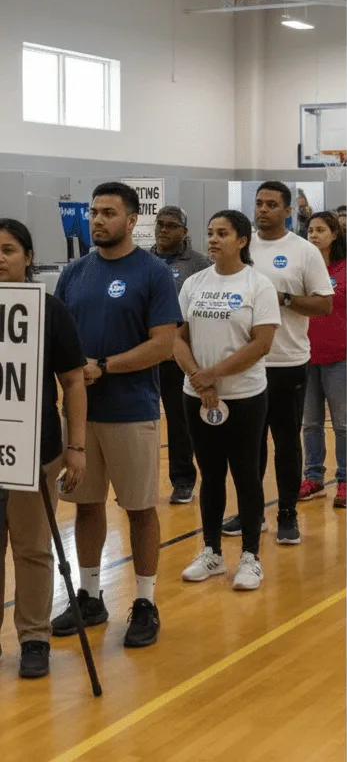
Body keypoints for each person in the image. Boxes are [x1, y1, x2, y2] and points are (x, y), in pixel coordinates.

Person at [52, 182, 182, 649]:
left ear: (132, 220)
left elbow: (164, 344)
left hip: (132, 412)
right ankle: (90, 596)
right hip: (80, 416)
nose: (98, 220)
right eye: (93, 212)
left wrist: (103, 367)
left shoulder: (154, 273)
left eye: (108, 212)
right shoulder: (73, 273)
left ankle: (145, 601)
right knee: (86, 507)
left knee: (140, 508)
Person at [175, 212, 280, 591]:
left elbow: (262, 343)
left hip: (245, 397)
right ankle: (212, 552)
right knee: (211, 475)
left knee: (247, 475)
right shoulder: (194, 283)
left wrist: (214, 374)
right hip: (198, 397)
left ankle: (251, 556)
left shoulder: (258, 285)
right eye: (210, 232)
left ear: (242, 240)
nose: (214, 239)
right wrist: (198, 380)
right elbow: (177, 337)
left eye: (223, 233)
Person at [0, 220, 87, 679]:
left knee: (32, 548)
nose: (0, 257)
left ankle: (34, 637)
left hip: (37, 449)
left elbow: (73, 380)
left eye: (8, 249)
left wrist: (76, 446)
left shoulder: (50, 310)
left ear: (29, 257)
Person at [228, 181, 333, 546]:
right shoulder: (240, 248)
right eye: (259, 203)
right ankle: (250, 512)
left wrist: (284, 299)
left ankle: (287, 511)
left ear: (287, 210)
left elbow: (324, 304)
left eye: (272, 204)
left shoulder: (304, 251)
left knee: (286, 440)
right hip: (244, 363)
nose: (263, 210)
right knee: (247, 444)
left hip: (286, 362)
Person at [151, 206, 211, 505]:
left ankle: (183, 481)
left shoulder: (199, 264)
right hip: (144, 357)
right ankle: (142, 482)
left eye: (171, 225)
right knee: (142, 422)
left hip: (178, 358)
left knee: (179, 423)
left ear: (184, 231)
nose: (163, 229)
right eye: (160, 224)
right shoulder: (142, 260)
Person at [299, 211, 347, 510]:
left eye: (320, 230)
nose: (314, 235)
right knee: (310, 423)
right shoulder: (300, 269)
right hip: (305, 355)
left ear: (334, 234)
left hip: (338, 356)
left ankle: (344, 480)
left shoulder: (346, 269)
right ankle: (314, 477)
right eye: (310, 230)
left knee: (341, 424)